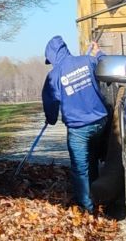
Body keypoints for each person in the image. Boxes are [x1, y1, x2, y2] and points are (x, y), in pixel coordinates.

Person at [41, 34, 110, 213]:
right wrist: (98, 52)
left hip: (79, 128)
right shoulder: (88, 61)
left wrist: (51, 118)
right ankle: (96, 195)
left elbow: (50, 102)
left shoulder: (54, 75)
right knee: (92, 159)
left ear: (53, 56)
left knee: (80, 169)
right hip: (100, 123)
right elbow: (107, 65)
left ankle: (87, 209)